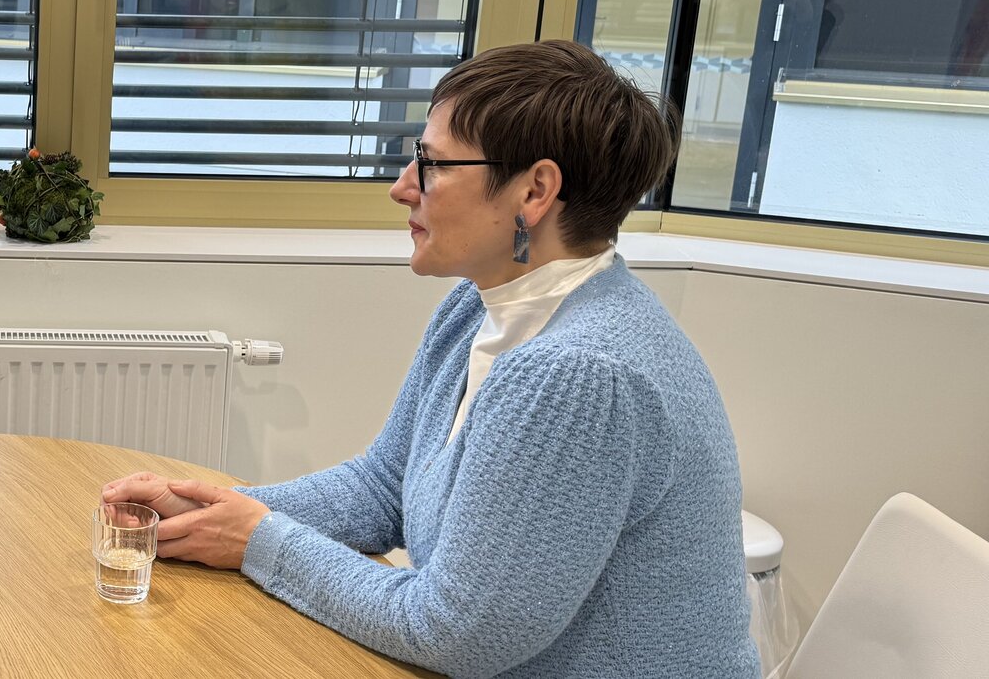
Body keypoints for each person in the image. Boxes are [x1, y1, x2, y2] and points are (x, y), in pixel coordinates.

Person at [103, 40, 759, 678]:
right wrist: (212, 510)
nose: (402, 187)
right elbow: (385, 485)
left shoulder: (579, 373)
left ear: (535, 192)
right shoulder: (477, 306)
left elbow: (452, 632)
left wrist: (257, 539)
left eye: (434, 164)